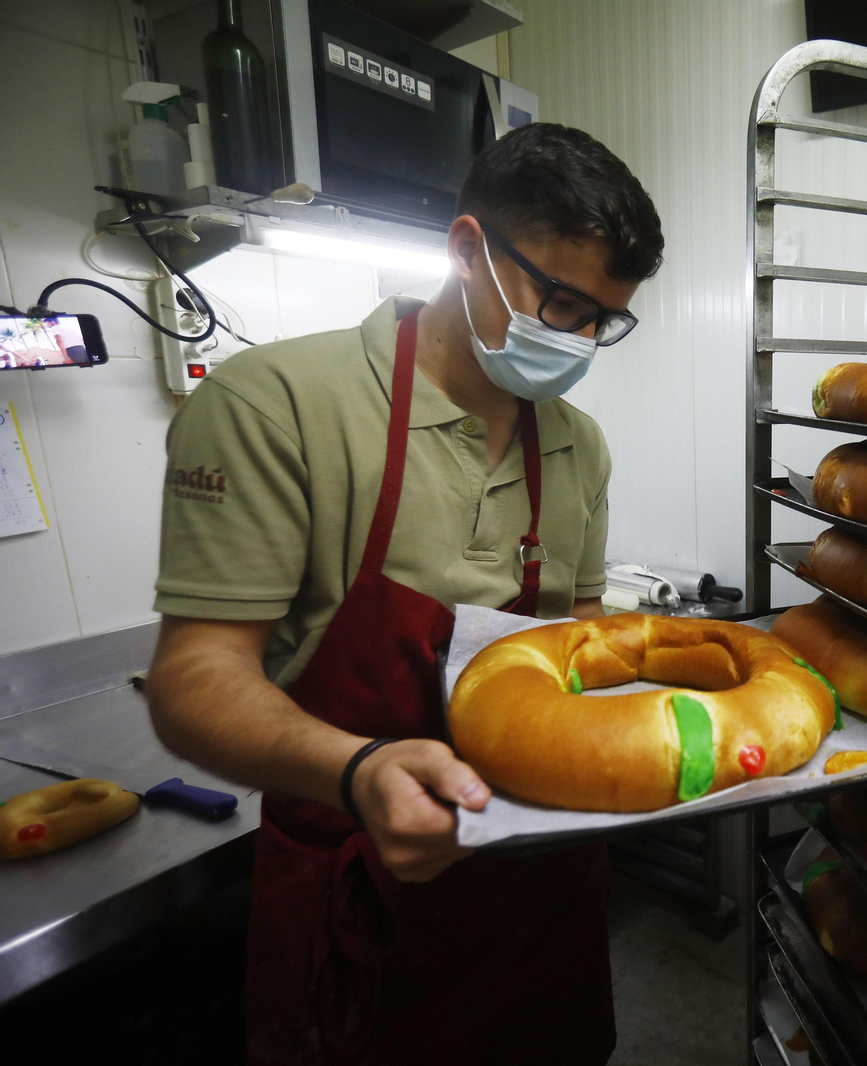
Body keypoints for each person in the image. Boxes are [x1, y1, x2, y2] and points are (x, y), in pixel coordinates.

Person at [143, 123, 663, 1065]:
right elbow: (193, 677)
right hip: (361, 896)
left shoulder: (577, 444)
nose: (578, 339)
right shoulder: (278, 404)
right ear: (468, 250)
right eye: (561, 302)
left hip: (540, 903)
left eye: (604, 320)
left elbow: (577, 645)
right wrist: (361, 769)